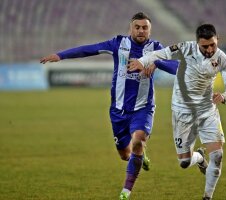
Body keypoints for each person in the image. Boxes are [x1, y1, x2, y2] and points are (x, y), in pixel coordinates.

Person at [40, 12, 177, 200]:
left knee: (138, 140)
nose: (141, 30)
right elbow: (89, 49)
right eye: (137, 27)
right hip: (118, 110)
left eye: (145, 27)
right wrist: (61, 55)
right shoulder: (118, 44)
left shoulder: (156, 49)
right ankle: (139, 157)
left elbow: (176, 67)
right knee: (125, 154)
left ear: (150, 30)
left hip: (142, 108)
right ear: (131, 28)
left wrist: (158, 62)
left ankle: (125, 192)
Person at [128, 24, 226, 200]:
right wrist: (142, 61)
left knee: (217, 155)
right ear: (197, 44)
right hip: (182, 111)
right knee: (184, 162)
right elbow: (160, 54)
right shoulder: (185, 48)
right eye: (205, 46)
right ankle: (199, 158)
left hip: (206, 110)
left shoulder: (222, 59)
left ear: (218, 40)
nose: (209, 49)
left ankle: (207, 197)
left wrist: (225, 96)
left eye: (213, 45)